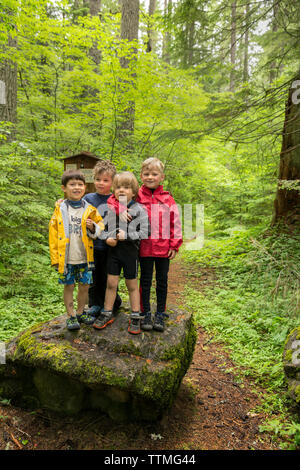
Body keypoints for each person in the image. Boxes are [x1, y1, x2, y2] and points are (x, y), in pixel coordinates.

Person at [108, 157, 183, 332]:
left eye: (154, 174)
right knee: (146, 281)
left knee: (162, 281)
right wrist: (121, 209)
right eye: (147, 174)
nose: (150, 177)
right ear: (141, 175)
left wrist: (174, 244)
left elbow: (175, 222)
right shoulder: (137, 195)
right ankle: (146, 312)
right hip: (144, 247)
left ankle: (161, 314)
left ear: (162, 177)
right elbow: (112, 200)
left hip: (164, 248)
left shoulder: (167, 198)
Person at [93, 171, 149, 335]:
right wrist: (107, 239)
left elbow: (145, 232)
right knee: (111, 284)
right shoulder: (111, 209)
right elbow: (103, 230)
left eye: (126, 187)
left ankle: (135, 315)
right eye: (118, 187)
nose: (121, 190)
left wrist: (128, 236)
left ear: (134, 191)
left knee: (132, 286)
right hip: (114, 254)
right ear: (114, 190)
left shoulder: (138, 209)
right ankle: (107, 312)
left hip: (130, 254)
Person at [49, 170, 104, 331]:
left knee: (85, 285)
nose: (76, 187)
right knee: (69, 286)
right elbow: (53, 234)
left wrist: (93, 226)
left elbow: (100, 225)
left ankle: (81, 312)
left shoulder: (90, 209)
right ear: (64, 188)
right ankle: (71, 315)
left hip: (84, 256)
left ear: (85, 188)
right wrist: (55, 258)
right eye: (72, 184)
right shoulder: (60, 208)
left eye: (80, 184)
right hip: (66, 257)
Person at [83, 160, 122, 317]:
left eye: (106, 180)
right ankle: (94, 304)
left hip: (112, 246)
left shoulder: (117, 199)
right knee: (94, 276)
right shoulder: (88, 198)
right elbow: (75, 206)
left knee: (109, 277)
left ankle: (112, 302)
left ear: (113, 182)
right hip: (93, 245)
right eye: (98, 179)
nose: (101, 183)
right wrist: (61, 202)